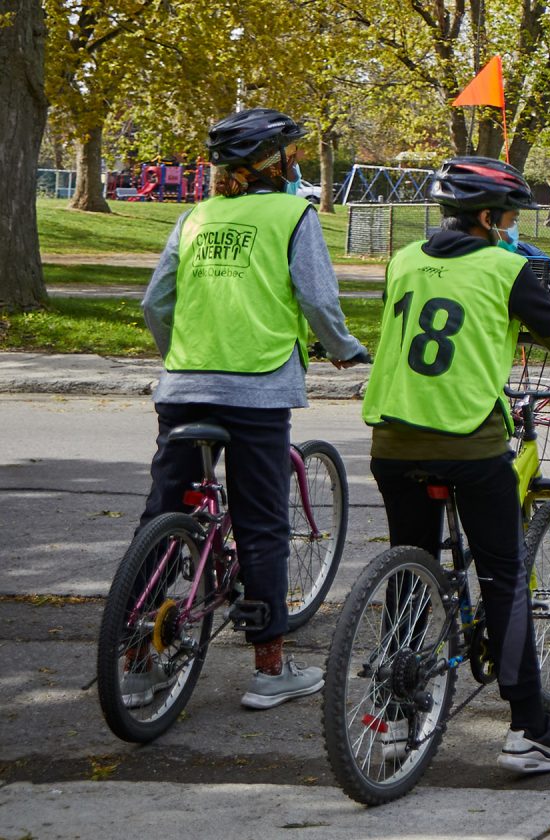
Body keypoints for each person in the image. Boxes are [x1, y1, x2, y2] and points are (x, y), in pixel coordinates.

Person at [361, 157, 550, 772]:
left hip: (393, 440)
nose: (512, 226)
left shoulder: (403, 258)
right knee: (504, 580)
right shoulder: (507, 268)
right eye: (508, 216)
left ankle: (396, 713)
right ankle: (529, 728)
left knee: (412, 568)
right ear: (486, 217)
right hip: (469, 445)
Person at [135, 108, 368, 713]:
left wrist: (181, 361)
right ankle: (269, 666)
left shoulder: (194, 217)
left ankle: (135, 656)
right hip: (257, 388)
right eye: (291, 154)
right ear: (276, 163)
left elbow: (156, 305)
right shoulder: (295, 215)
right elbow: (316, 297)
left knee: (163, 509)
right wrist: (343, 350)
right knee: (263, 525)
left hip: (183, 386)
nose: (295, 163)